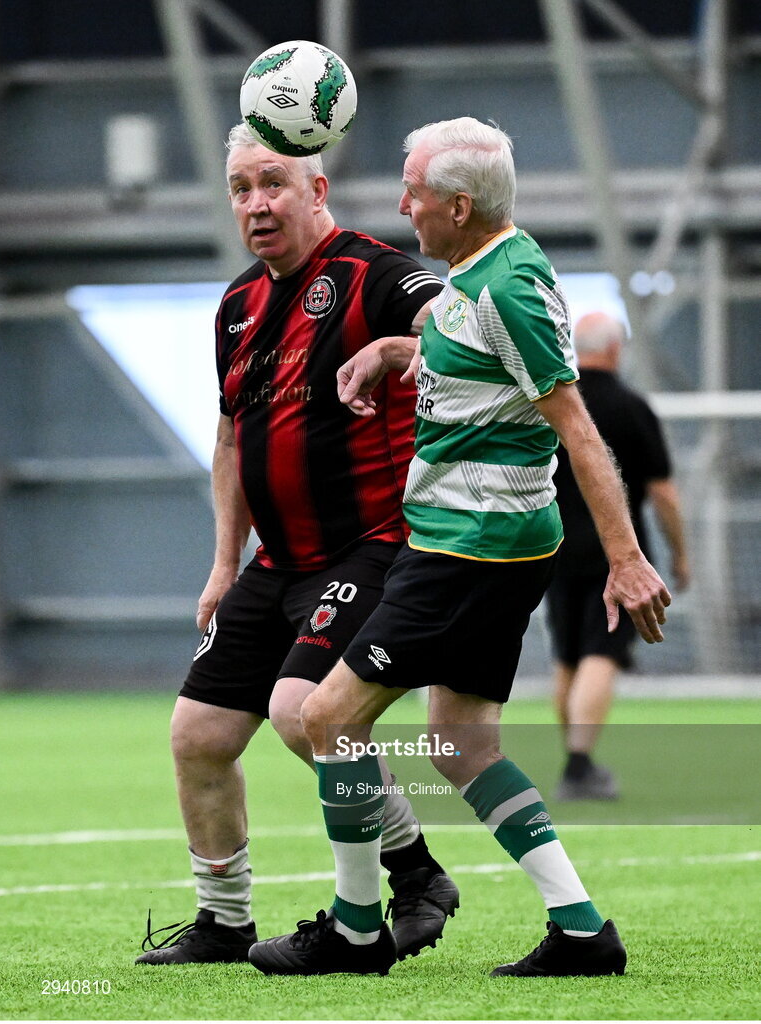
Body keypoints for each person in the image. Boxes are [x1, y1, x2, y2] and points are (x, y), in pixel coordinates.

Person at [247, 117, 671, 979]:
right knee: (462, 745)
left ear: (461, 205)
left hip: (466, 546)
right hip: (495, 543)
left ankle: (359, 930)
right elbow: (478, 357)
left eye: (414, 191)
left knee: (326, 718)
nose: (404, 205)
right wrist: (396, 351)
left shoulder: (503, 289)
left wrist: (627, 558)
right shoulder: (494, 267)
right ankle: (583, 930)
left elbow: (578, 430)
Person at [135, 123, 460, 965]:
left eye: (273, 183)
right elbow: (232, 442)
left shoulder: (375, 274)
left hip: (372, 548)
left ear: (317, 191)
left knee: (298, 714)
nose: (255, 204)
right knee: (197, 736)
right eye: (241, 187)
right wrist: (220, 564)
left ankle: (414, 873)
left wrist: (403, 345)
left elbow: (461, 334)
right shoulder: (237, 307)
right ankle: (223, 920)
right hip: (273, 565)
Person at [547, 311, 690, 801]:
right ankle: (580, 765)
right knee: (600, 656)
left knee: (567, 659)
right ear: (614, 349)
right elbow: (665, 493)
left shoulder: (554, 403)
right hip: (620, 560)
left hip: (555, 551)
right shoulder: (632, 407)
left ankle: (575, 762)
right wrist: (681, 555)